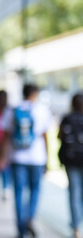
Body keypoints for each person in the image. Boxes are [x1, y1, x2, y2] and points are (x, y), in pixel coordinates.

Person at [0, 84, 52, 238]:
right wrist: (47, 158)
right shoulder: (42, 110)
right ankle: (30, 218)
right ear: (35, 94)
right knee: (35, 190)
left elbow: (5, 135)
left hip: (17, 157)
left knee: (19, 192)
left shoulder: (12, 110)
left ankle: (21, 229)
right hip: (37, 157)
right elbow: (45, 135)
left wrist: (2, 157)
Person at [58, 93, 83, 238]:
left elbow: (60, 136)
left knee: (74, 193)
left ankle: (75, 226)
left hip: (71, 160)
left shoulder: (67, 118)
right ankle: (77, 222)